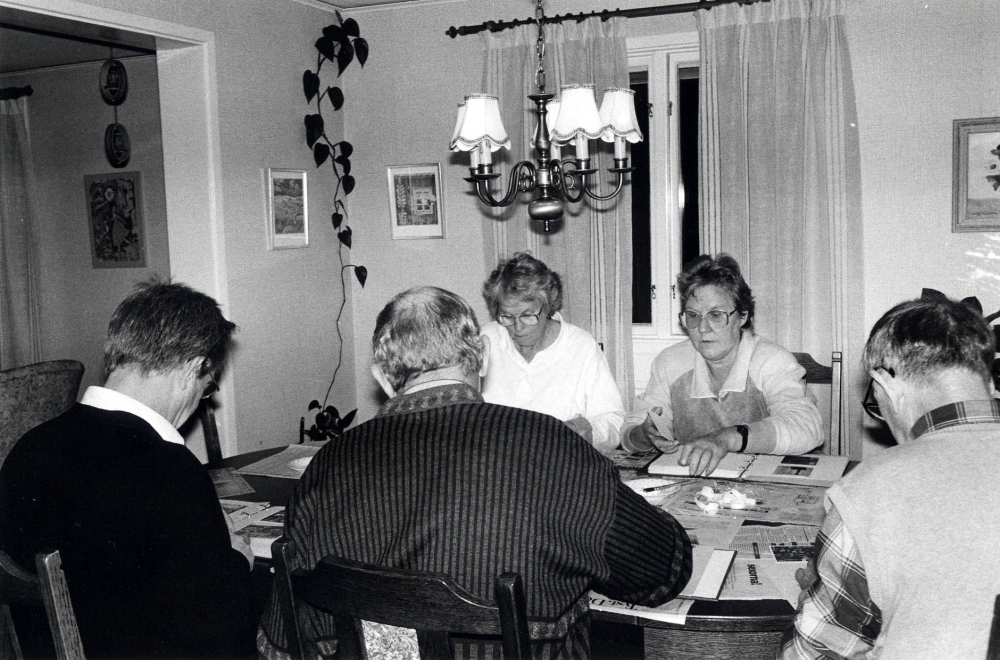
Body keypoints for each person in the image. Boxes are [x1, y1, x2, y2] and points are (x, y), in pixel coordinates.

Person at [258, 286, 691, 659]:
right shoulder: (551, 445)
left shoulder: (328, 464)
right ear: (481, 357)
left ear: (383, 378)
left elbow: (282, 643)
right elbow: (662, 572)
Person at [0, 279, 257, 659]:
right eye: (207, 385)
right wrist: (237, 562)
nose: (201, 398)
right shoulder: (172, 471)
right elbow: (221, 636)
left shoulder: (29, 448)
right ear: (191, 368)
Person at [781, 296, 1000, 660]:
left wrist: (817, 599)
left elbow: (813, 653)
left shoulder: (868, 491)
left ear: (885, 383)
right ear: (988, 382)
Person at [620, 254, 822, 476]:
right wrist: (645, 433)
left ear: (743, 315)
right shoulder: (670, 362)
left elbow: (806, 427)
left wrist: (727, 438)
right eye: (693, 315)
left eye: (716, 315)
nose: (703, 328)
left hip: (763, 485)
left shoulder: (771, 361)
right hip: (697, 486)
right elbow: (631, 434)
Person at [480, 252, 626, 452]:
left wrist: (585, 430)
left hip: (559, 467)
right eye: (506, 316)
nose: (517, 327)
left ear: (548, 305)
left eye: (527, 315)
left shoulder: (580, 346)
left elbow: (614, 421)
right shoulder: (488, 338)